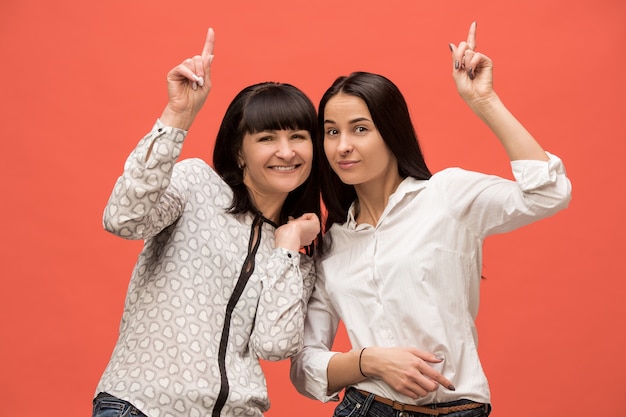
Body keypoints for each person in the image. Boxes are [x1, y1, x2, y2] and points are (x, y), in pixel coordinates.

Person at [290, 22, 572, 416]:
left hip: (460, 409)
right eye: (331, 132)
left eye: (360, 129)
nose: (343, 146)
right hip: (368, 407)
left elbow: (548, 193)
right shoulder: (331, 242)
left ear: (391, 131)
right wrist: (369, 361)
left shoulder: (447, 195)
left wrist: (484, 101)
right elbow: (304, 366)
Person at [92, 28, 322, 417]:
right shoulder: (196, 184)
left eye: (298, 137)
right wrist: (178, 116)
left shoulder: (297, 247)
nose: (286, 152)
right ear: (239, 150)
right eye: (267, 138)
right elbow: (123, 218)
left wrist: (286, 246)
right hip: (143, 407)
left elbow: (274, 344)